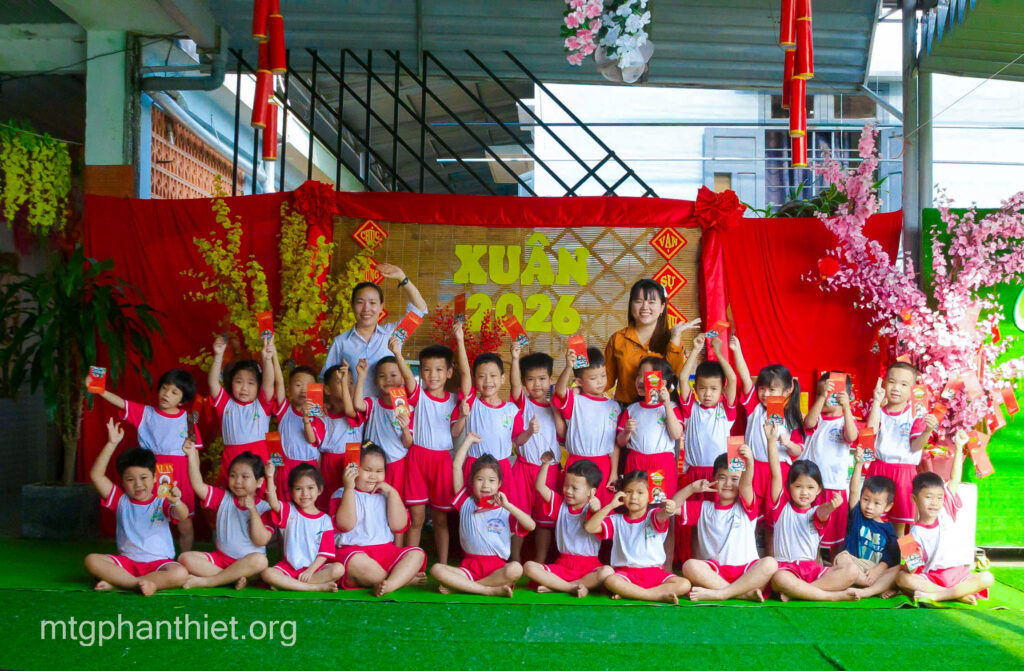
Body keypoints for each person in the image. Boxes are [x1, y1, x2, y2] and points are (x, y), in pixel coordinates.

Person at [90, 368, 202, 552]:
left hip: (181, 475)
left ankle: (186, 559)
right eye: (164, 388)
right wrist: (100, 390)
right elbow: (122, 403)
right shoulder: (146, 413)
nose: (166, 394)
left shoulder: (188, 420)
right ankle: (145, 554)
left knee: (184, 522)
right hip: (151, 473)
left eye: (174, 392)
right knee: (149, 516)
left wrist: (196, 482)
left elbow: (194, 455)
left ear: (182, 400)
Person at [83, 419, 189, 595]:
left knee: (180, 573)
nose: (138, 484)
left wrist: (176, 501)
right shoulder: (120, 500)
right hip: (127, 563)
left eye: (144, 478)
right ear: (123, 482)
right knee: (91, 560)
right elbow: (96, 475)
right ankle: (139, 584)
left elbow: (182, 515)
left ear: (155, 478)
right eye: (130, 479)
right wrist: (111, 443)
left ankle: (120, 583)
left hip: (159, 564)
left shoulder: (162, 500)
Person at [429, 434, 536, 597]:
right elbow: (456, 466)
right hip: (469, 568)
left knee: (516, 569)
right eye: (480, 479)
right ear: (472, 482)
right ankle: (487, 590)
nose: (486, 485)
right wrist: (468, 441)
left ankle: (463, 587)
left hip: (497, 569)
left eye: (492, 480)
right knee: (437, 569)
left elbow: (531, 525)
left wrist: (508, 505)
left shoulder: (505, 510)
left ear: (499, 484)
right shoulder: (465, 503)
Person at [765, 421, 860, 602]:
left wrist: (831, 506)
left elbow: (822, 513)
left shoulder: (817, 511)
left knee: (852, 571)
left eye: (810, 488)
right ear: (789, 487)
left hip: (812, 571)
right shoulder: (781, 507)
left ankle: (799, 592)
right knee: (779, 578)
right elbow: (775, 472)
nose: (804, 492)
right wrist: (771, 441)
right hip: (786, 569)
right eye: (798, 486)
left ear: (818, 491)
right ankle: (830, 596)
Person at [896, 430, 994, 604]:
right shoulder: (911, 536)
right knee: (902, 578)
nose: (934, 502)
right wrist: (911, 560)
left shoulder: (945, 510)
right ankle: (956, 594)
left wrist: (959, 446)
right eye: (928, 497)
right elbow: (913, 571)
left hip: (958, 575)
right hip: (932, 578)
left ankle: (939, 596)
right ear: (914, 499)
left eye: (939, 497)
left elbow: (954, 478)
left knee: (987, 577)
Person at [678, 446, 778, 602]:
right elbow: (672, 508)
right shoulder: (703, 508)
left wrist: (750, 462)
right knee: (689, 566)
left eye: (734, 479)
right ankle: (741, 594)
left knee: (770, 563)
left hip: (747, 571)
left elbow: (746, 485)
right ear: (714, 479)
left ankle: (721, 594)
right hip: (716, 572)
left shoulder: (746, 506)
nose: (727, 483)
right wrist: (691, 488)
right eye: (722, 477)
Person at [673, 334, 739, 563]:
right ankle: (696, 563)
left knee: (719, 520)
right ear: (696, 388)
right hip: (695, 476)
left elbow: (733, 379)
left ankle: (719, 563)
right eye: (702, 388)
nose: (707, 394)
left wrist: (719, 353)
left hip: (719, 475)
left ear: (722, 391)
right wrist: (695, 350)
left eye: (713, 389)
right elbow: (683, 377)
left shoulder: (726, 411)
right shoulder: (691, 409)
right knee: (695, 522)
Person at [330, 444, 427, 596]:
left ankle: (390, 584)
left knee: (417, 554)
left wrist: (393, 493)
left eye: (379, 471)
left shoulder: (385, 495)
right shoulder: (342, 493)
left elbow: (399, 526)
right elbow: (346, 525)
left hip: (385, 552)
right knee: (357, 562)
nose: (373, 476)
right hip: (354, 551)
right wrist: (349, 488)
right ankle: (402, 580)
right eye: (367, 470)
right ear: (354, 470)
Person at [616, 356, 683, 567]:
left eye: (646, 376)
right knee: (635, 511)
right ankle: (635, 563)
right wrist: (627, 432)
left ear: (661, 382)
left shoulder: (671, 406)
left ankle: (666, 566)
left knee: (664, 513)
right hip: (636, 463)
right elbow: (620, 442)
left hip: (661, 465)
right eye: (638, 375)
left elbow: (676, 434)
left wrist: (666, 403)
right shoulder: (632, 409)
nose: (639, 380)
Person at [585, 471, 692, 604]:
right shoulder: (616, 520)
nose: (634, 497)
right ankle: (655, 596)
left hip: (655, 574)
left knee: (684, 584)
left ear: (650, 496)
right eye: (628, 492)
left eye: (640, 493)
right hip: (626, 575)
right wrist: (610, 505)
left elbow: (663, 515)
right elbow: (590, 528)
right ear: (621, 495)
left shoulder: (653, 515)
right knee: (611, 580)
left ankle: (632, 593)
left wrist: (669, 510)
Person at [343, 339, 416, 531]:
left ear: (402, 378)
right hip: (371, 464)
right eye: (382, 376)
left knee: (395, 505)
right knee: (371, 501)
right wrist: (361, 376)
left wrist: (405, 428)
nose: (388, 380)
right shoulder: (373, 403)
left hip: (396, 464)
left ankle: (396, 544)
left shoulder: (408, 408)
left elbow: (408, 443)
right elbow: (358, 405)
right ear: (375, 381)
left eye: (393, 375)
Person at [178, 444, 273, 589]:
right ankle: (232, 579)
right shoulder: (223, 498)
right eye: (233, 476)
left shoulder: (265, 507)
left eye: (245, 477)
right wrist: (191, 456)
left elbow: (260, 540)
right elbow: (198, 485)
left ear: (259, 482)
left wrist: (253, 511)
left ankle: (209, 581)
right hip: (221, 560)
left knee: (260, 561)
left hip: (249, 564)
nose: (238, 481)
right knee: (184, 558)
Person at [321, 266, 428, 396]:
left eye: (372, 303)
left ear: (381, 307)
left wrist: (403, 278)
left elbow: (419, 309)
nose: (366, 309)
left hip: (390, 407)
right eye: (360, 302)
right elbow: (324, 380)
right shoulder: (341, 342)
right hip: (353, 408)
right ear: (352, 306)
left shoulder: (393, 334)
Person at [506, 346, 565, 563]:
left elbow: (563, 434)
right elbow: (514, 385)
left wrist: (556, 409)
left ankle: (540, 563)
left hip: (549, 470)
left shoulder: (556, 405)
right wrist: (515, 358)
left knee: (545, 519)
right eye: (530, 379)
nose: (537, 384)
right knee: (518, 514)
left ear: (550, 379)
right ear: (524, 382)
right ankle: (515, 559)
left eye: (542, 379)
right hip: (523, 469)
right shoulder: (522, 402)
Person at [523, 456, 612, 597]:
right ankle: (571, 588)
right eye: (566, 485)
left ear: (591, 492)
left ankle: (556, 586)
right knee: (529, 567)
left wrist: (597, 509)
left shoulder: (592, 508)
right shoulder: (560, 505)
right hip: (562, 565)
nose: (568, 491)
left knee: (607, 572)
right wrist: (545, 464)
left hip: (590, 567)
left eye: (575, 488)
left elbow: (595, 517)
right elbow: (540, 487)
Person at [866, 362, 938, 535]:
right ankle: (876, 552)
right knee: (873, 520)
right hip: (878, 469)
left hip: (904, 473)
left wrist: (928, 430)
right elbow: (870, 433)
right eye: (892, 382)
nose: (896, 388)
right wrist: (876, 402)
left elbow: (915, 446)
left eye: (904, 384)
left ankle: (899, 553)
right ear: (884, 383)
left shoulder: (915, 415)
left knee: (899, 526)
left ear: (912, 389)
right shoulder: (878, 411)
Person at [401, 344, 458, 562]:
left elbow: (455, 431)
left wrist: (463, 417)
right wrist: (397, 353)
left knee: (440, 519)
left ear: (449, 372)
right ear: (421, 372)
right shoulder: (418, 396)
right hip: (417, 458)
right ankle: (409, 566)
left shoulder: (454, 400)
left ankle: (442, 564)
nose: (433, 375)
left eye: (439, 370)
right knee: (416, 519)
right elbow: (408, 378)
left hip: (442, 460)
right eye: (426, 369)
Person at [603, 279, 700, 403]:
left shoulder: (671, 339)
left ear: (662, 307)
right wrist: (584, 383)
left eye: (651, 302)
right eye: (638, 301)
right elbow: (606, 380)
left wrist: (675, 336)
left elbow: (675, 374)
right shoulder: (617, 339)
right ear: (631, 305)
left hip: (661, 409)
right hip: (626, 410)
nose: (645, 307)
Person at [451, 321, 519, 488]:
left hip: (501, 468)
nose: (488, 381)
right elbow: (465, 373)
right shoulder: (472, 402)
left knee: (502, 504)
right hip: (475, 467)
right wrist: (460, 341)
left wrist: (515, 358)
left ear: (502, 379)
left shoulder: (511, 409)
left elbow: (519, 438)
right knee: (472, 503)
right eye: (481, 376)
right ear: (475, 380)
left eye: (493, 376)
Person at [737, 360, 805, 523]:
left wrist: (788, 444)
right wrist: (736, 350)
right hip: (754, 469)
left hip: (780, 472)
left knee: (775, 519)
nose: (765, 394)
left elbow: (798, 450)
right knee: (751, 517)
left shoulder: (792, 417)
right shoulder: (754, 408)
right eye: (762, 388)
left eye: (772, 389)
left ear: (787, 390)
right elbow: (745, 377)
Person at [261, 462, 344, 592]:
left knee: (339, 569)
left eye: (310, 488)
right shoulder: (289, 511)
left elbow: (324, 553)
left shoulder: (325, 520)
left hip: (314, 570)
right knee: (268, 573)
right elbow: (273, 502)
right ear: (291, 492)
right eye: (298, 489)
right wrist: (270, 476)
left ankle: (289, 585)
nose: (305, 493)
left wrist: (310, 571)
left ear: (319, 490)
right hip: (289, 568)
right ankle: (315, 587)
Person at [553, 346, 621, 504]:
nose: (600, 381)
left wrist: (614, 472)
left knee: (601, 508)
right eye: (593, 378)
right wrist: (568, 366)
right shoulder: (575, 401)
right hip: (576, 464)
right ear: (579, 382)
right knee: (574, 507)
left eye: (603, 375)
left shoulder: (614, 406)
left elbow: (615, 443)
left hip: (604, 465)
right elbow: (560, 391)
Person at [801, 371, 859, 555]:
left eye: (830, 393)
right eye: (820, 393)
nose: (826, 397)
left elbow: (852, 436)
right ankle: (814, 564)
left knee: (836, 539)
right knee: (813, 534)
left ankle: (835, 566)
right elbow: (809, 423)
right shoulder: (817, 417)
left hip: (836, 487)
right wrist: (821, 397)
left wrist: (846, 408)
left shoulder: (846, 421)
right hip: (814, 487)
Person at [209, 335, 278, 486]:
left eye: (251, 383)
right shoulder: (226, 404)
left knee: (259, 495)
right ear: (231, 383)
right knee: (232, 493)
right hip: (231, 459)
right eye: (239, 381)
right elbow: (213, 383)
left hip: (258, 458)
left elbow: (269, 382)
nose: (244, 388)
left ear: (258, 386)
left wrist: (267, 359)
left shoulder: (262, 404)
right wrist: (218, 356)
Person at [833, 448, 900, 599]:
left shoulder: (889, 529)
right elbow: (854, 491)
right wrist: (858, 464)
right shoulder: (858, 515)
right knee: (842, 557)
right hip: (853, 566)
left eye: (877, 503)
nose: (869, 506)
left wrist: (879, 569)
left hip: (874, 570)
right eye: (866, 500)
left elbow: (892, 555)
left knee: (899, 569)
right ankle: (876, 588)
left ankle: (867, 586)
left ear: (888, 507)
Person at [273, 365, 325, 497]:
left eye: (308, 386)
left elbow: (311, 439)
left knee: (306, 502)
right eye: (298, 385)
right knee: (284, 504)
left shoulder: (318, 417)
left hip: (309, 469)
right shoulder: (284, 409)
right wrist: (273, 356)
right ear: (288, 389)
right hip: (286, 467)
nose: (303, 390)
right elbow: (278, 381)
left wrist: (306, 418)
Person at [317, 363, 363, 510]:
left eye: (350, 382)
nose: (347, 386)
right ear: (327, 389)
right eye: (340, 381)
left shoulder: (358, 410)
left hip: (351, 464)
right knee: (328, 504)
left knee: (350, 505)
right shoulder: (322, 414)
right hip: (328, 466)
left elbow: (350, 411)